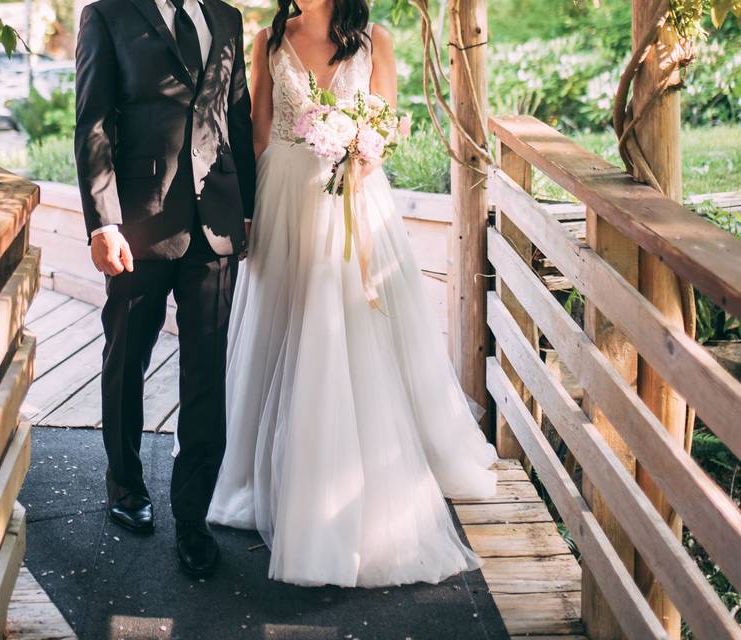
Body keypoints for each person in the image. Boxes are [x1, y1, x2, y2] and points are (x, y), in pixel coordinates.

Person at [207, 0, 498, 587]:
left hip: (354, 201)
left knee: (351, 329)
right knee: (281, 326)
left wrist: (360, 155)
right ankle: (270, 475)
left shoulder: (375, 41)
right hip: (286, 198)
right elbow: (261, 134)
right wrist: (257, 215)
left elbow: (384, 129)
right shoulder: (268, 39)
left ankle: (355, 475)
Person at [74, 0, 255, 578]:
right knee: (127, 357)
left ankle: (193, 519)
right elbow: (94, 120)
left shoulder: (226, 18)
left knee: (206, 374)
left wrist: (245, 208)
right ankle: (125, 487)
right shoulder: (106, 14)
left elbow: (238, 113)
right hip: (138, 222)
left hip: (215, 223)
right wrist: (102, 222)